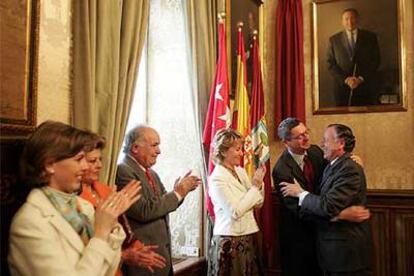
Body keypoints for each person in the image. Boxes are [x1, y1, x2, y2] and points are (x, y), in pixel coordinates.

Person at [8, 121, 141, 276]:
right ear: (49, 164)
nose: (85, 167)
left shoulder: (83, 207)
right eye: (79, 159)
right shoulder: (30, 222)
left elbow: (108, 270)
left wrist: (111, 221)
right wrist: (101, 233)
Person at [273, 117, 370, 276]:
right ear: (286, 142)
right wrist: (340, 214)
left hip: (330, 238)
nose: (306, 138)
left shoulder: (316, 152)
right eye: (299, 136)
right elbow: (300, 210)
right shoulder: (281, 170)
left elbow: (338, 174)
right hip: (301, 237)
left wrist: (351, 158)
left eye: (306, 132)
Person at [116, 125, 201, 276]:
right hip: (143, 262)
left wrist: (181, 192)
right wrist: (177, 192)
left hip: (162, 260)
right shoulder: (123, 171)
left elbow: (162, 205)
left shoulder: (152, 173)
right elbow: (143, 211)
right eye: (154, 145)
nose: (159, 151)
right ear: (135, 147)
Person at [79, 133, 166, 274]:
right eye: (92, 161)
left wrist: (138, 250)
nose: (99, 165)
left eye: (100, 160)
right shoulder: (73, 199)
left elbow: (124, 230)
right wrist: (124, 256)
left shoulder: (105, 190)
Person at [207, 128, 266, 276]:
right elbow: (235, 211)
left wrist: (259, 184)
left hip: (248, 235)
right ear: (224, 151)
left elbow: (258, 202)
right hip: (229, 241)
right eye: (237, 149)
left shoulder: (239, 171)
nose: (241, 153)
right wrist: (254, 186)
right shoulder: (217, 178)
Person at [327, 8, 380, 106]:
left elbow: (375, 61)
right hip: (342, 89)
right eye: (346, 19)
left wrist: (360, 79)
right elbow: (330, 63)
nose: (349, 22)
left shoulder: (370, 37)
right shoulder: (333, 40)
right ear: (342, 22)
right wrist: (346, 79)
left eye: (352, 18)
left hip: (365, 88)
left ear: (357, 19)